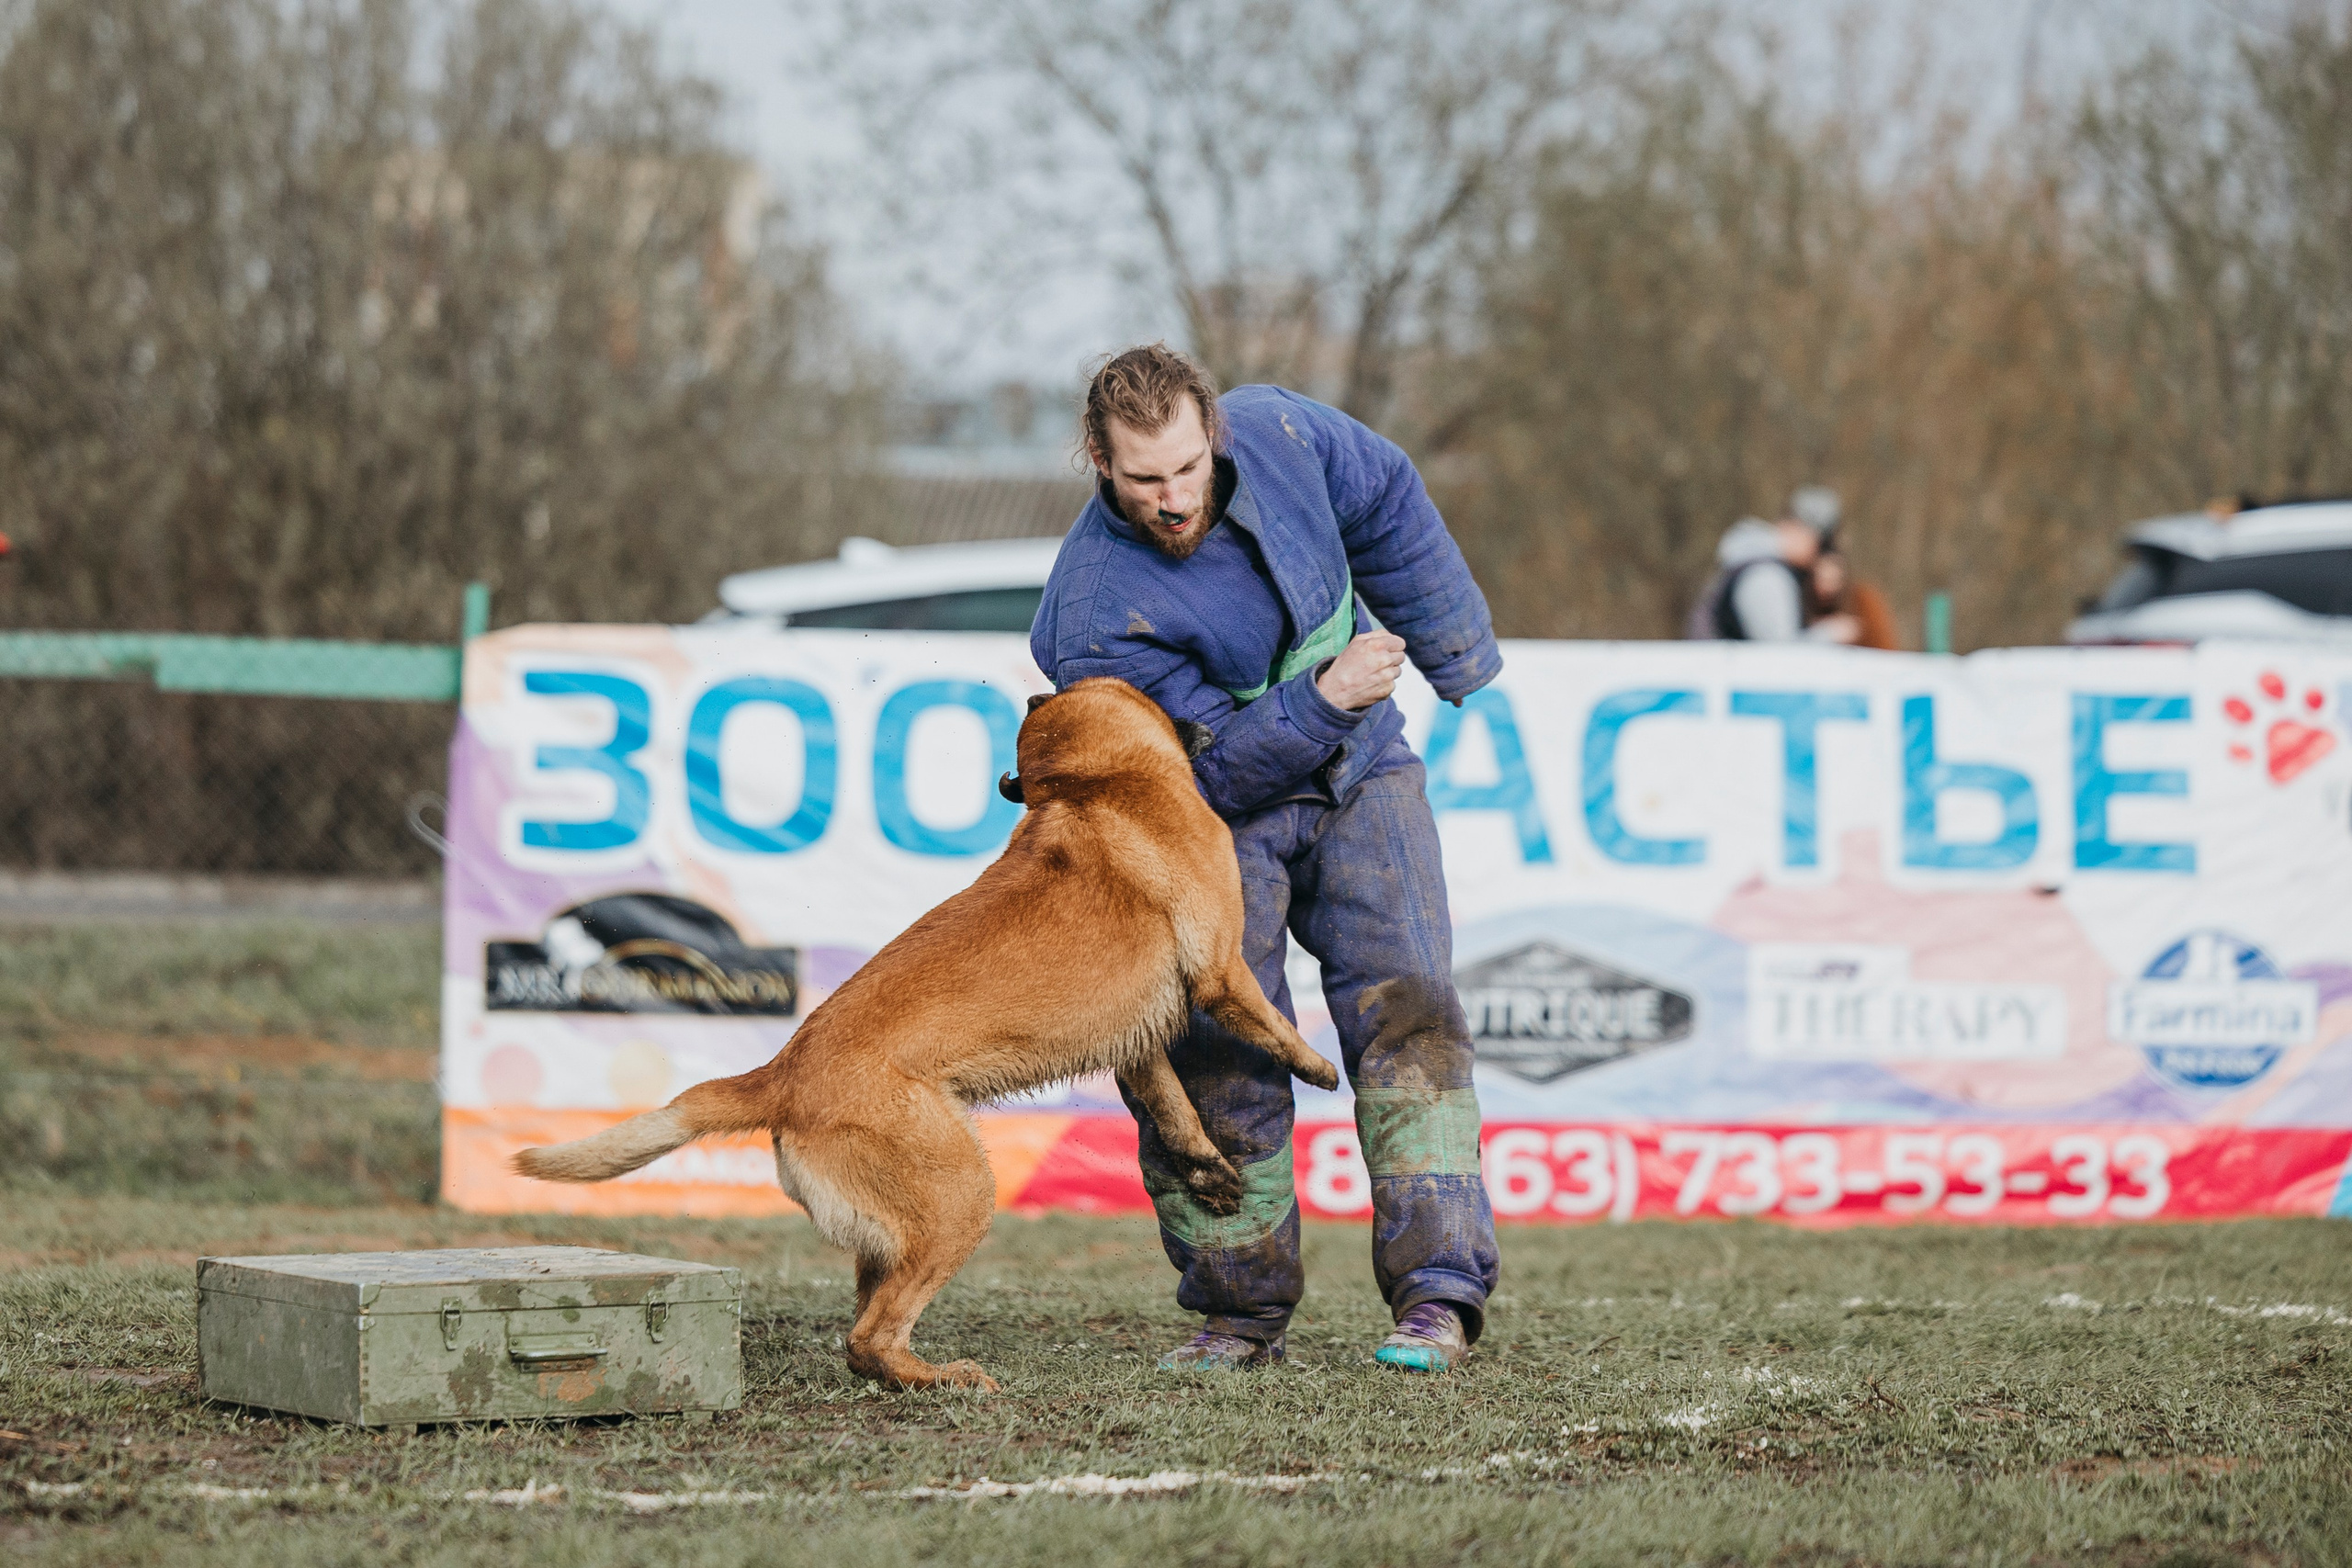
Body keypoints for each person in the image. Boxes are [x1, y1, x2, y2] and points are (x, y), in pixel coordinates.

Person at [1030, 344, 1501, 1374]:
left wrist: (1451, 642)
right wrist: (1323, 697)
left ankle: (1440, 1295)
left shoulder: (1285, 430)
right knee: (1212, 1048)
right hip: (1214, 821)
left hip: (1366, 770)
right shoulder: (1092, 614)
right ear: (1098, 462)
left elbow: (1383, 497)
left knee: (1412, 1003)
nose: (1170, 498)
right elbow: (1205, 778)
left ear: (1215, 432)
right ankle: (1239, 1314)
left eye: (1187, 468)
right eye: (1143, 478)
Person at [1686, 485, 1860, 644]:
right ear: (1798, 529)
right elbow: (1779, 658)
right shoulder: (1766, 575)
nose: (1818, 554)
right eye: (1821, 544)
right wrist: (1830, 634)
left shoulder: (1757, 564)